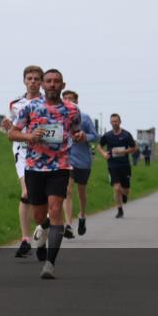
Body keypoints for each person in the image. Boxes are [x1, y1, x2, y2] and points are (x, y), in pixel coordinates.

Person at [8, 68, 85, 279]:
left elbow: (76, 130)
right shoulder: (31, 107)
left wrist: (79, 135)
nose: (52, 84)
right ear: (43, 85)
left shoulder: (72, 110)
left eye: (56, 81)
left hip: (60, 167)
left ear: (63, 85)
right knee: (40, 215)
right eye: (48, 81)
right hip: (34, 167)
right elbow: (11, 134)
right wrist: (29, 136)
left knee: (56, 209)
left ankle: (50, 264)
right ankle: (42, 232)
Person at [1, 66, 44, 257]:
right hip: (22, 153)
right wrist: (8, 127)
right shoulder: (15, 104)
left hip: (44, 154)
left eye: (36, 79)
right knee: (26, 192)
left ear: (41, 82)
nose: (33, 81)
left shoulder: (48, 103)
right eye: (30, 78)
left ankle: (41, 239)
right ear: (24, 80)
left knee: (42, 197)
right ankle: (25, 239)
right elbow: (13, 130)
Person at [61, 90, 97, 237]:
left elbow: (95, 136)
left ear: (77, 101)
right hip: (66, 159)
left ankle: (82, 215)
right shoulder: (59, 117)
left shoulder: (85, 118)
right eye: (66, 99)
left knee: (81, 191)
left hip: (83, 160)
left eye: (71, 99)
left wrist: (84, 136)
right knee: (67, 190)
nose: (69, 102)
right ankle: (68, 224)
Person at [98, 114, 138, 218]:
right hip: (112, 165)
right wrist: (104, 154)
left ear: (120, 122)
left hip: (124, 165)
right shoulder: (107, 135)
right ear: (110, 122)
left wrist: (123, 151)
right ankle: (119, 209)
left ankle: (125, 195)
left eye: (116, 121)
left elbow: (134, 148)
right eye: (112, 121)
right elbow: (99, 146)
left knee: (126, 188)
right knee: (116, 188)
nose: (114, 123)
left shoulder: (126, 135)